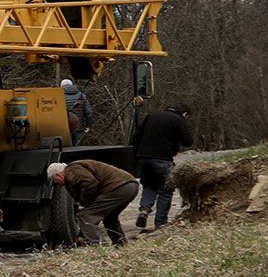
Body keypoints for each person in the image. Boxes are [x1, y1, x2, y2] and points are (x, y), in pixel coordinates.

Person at [132, 102, 195, 230]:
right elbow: (188, 142)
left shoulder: (152, 115)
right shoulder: (178, 120)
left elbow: (136, 136)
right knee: (166, 191)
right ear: (184, 113)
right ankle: (160, 223)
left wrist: (137, 155)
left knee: (149, 185)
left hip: (144, 158)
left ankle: (144, 210)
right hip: (163, 159)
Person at [48, 159, 139, 248]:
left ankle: (94, 246)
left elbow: (90, 183)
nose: (57, 185)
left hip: (119, 187)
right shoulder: (74, 170)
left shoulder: (71, 171)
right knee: (109, 217)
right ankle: (121, 244)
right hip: (129, 186)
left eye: (54, 181)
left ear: (58, 175)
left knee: (87, 215)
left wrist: (87, 201)